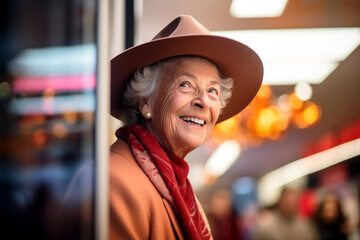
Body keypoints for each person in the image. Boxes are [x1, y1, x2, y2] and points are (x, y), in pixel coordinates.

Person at [89, 15, 261, 240]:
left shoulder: (175, 183)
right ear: (145, 102)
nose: (203, 101)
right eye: (185, 84)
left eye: (212, 91)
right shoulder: (115, 181)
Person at [253, 187, 319, 240]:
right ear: (280, 201)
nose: (290, 206)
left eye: (293, 202)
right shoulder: (265, 228)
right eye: (287, 202)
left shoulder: (305, 226)